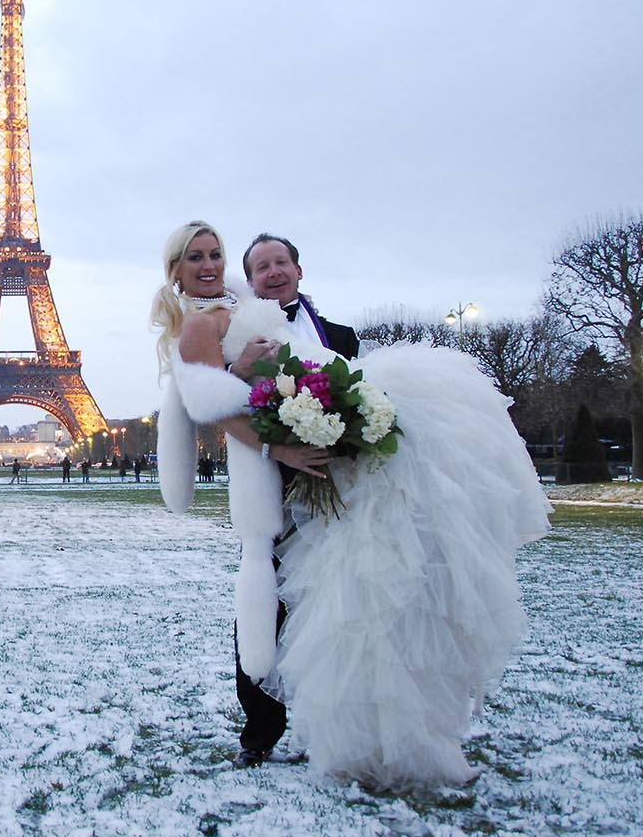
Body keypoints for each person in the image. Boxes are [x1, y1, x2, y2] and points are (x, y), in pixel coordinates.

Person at [153, 220, 551, 791]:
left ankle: (364, 718)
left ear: (297, 268)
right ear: (182, 270)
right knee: (270, 602)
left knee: (351, 600)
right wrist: (263, 417)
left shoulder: (311, 326)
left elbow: (352, 391)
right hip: (278, 483)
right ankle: (262, 729)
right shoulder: (205, 324)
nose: (266, 272)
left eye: (276, 262)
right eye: (201, 257)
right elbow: (209, 403)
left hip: (347, 478)